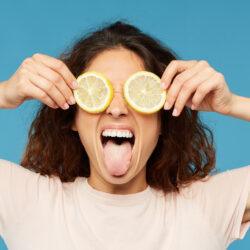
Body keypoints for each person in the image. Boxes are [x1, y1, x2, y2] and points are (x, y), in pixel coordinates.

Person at [0, 21, 249, 250]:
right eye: (100, 92)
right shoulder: (26, 202)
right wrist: (4, 94)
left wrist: (232, 104)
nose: (117, 109)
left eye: (137, 94)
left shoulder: (206, 207)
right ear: (73, 117)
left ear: (162, 118)